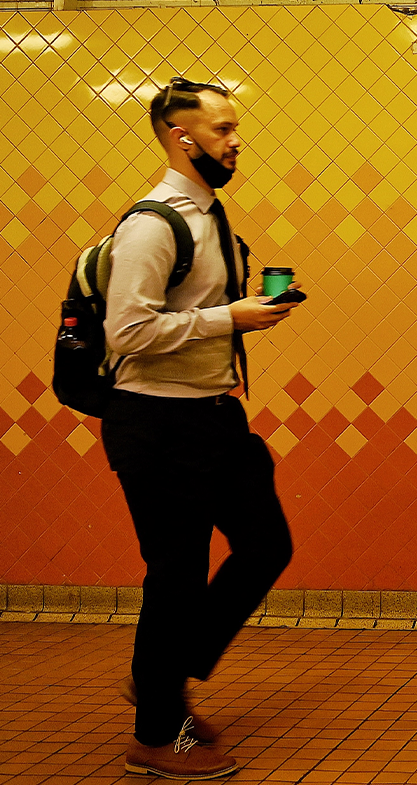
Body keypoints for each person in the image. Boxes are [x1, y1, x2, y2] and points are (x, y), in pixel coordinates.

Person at [102, 76, 300, 779]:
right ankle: (158, 734)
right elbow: (126, 329)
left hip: (215, 415)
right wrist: (230, 317)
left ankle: (165, 674)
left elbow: (186, 316)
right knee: (178, 578)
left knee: (267, 544)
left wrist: (245, 309)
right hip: (156, 423)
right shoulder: (154, 224)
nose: (235, 139)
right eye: (221, 129)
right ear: (181, 139)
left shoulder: (214, 218)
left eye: (234, 126)